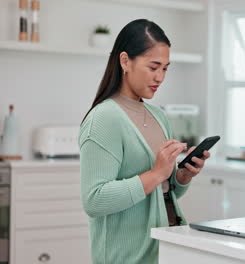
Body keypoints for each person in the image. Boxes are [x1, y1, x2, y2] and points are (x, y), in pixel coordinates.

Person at [79, 19, 210, 264]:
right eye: (153, 67)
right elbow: (94, 200)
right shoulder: (104, 118)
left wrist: (182, 177)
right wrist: (157, 173)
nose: (160, 77)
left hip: (168, 248)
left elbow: (161, 193)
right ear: (125, 61)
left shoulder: (159, 116)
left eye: (165, 68)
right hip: (127, 257)